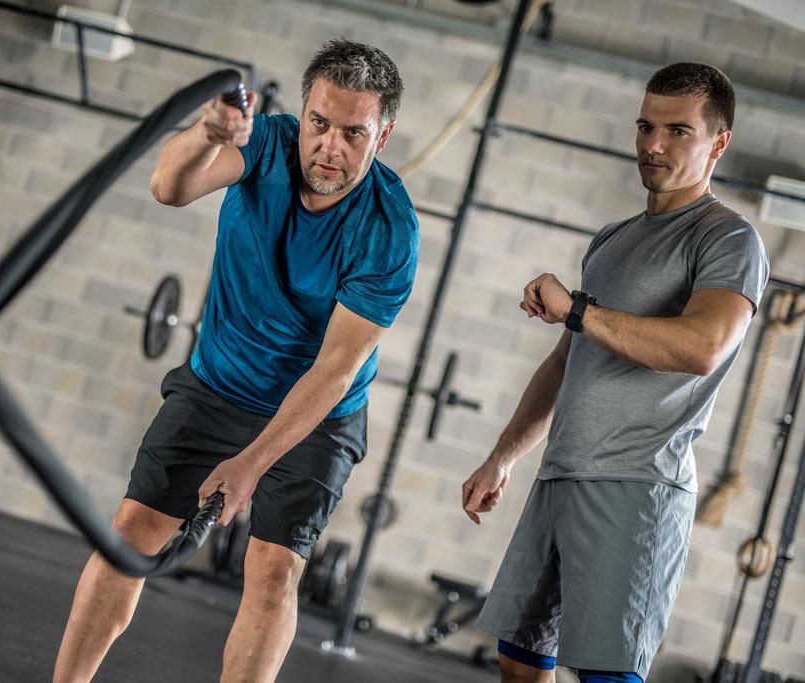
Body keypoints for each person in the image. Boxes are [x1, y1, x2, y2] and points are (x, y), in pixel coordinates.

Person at [53, 39, 419, 683]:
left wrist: (254, 462)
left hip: (319, 412)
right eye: (320, 124)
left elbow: (335, 367)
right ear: (303, 114)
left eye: (353, 134)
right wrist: (205, 134)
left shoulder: (390, 229)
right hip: (220, 382)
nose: (329, 147)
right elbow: (170, 186)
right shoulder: (269, 143)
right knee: (132, 529)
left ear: (382, 136)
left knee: (274, 571)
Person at [461, 62, 770, 683]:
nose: (653, 145)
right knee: (518, 659)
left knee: (604, 674)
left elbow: (702, 347)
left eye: (678, 131)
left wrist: (577, 308)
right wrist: (504, 455)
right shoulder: (612, 238)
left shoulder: (728, 239)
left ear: (718, 142)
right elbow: (566, 359)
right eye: (646, 126)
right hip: (561, 474)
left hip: (636, 485)